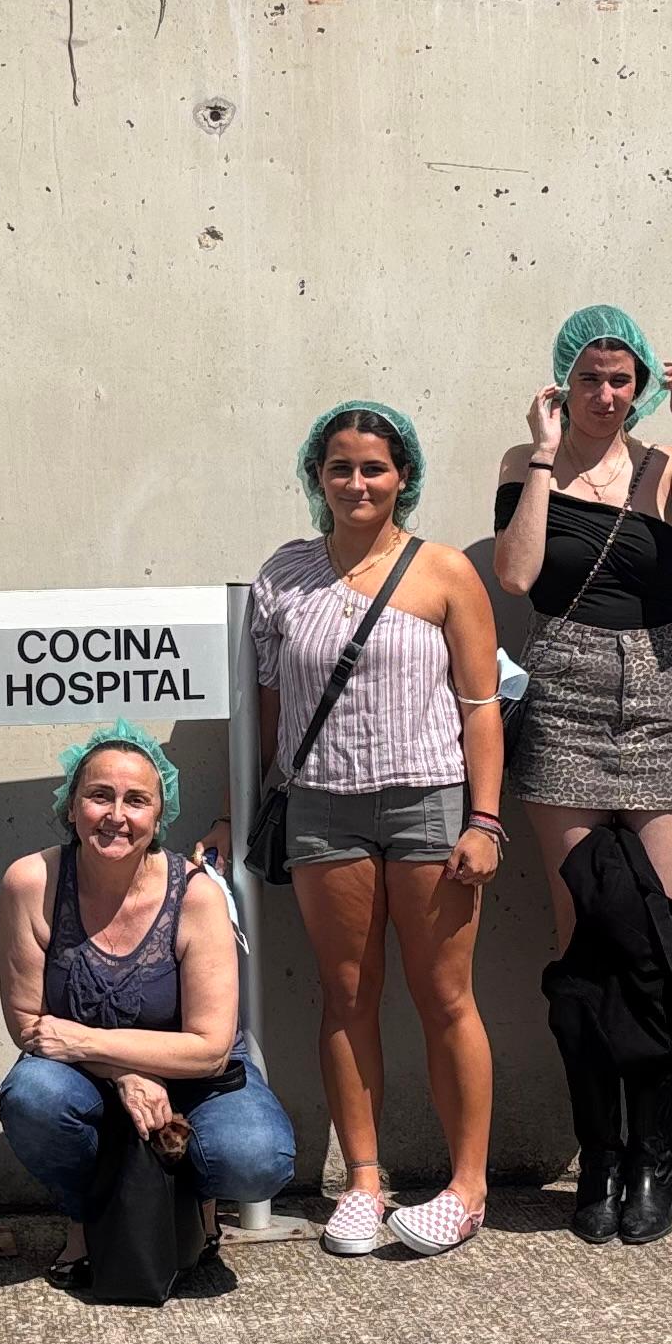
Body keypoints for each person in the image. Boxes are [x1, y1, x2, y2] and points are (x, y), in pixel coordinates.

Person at [250, 404, 508, 1256]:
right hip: (322, 807)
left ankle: (467, 1188)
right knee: (347, 994)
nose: (356, 483)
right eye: (339, 468)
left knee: (445, 996)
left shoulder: (444, 571)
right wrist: (254, 797)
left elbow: (481, 706)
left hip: (428, 803)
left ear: (404, 476)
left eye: (373, 468)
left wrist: (485, 819)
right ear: (316, 476)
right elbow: (269, 705)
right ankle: (362, 1181)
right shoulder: (284, 574)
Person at [0, 723, 294, 1275]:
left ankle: (191, 1203)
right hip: (80, 1074)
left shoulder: (196, 894)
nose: (116, 815)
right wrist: (126, 1073)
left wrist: (88, 1041)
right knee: (33, 1097)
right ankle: (88, 1217)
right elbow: (29, 1024)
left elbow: (210, 1049)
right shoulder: (31, 882)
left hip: (195, 1079)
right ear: (71, 807)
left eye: (136, 800)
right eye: (99, 795)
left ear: (159, 816)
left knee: (256, 1156)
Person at [489, 305, 672, 940]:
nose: (605, 397)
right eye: (589, 379)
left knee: (659, 917)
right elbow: (516, 575)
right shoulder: (524, 461)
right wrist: (545, 454)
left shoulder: (665, 464)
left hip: (664, 697)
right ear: (562, 384)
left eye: (620, 380)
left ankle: (657, 1013)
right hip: (564, 697)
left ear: (640, 386)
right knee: (581, 920)